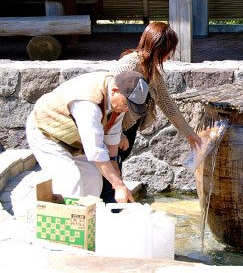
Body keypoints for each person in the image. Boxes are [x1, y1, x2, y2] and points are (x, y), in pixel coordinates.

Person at [101, 22, 202, 202]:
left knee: (116, 168)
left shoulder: (151, 69)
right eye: (169, 49)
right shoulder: (127, 66)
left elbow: (167, 104)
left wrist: (189, 134)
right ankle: (108, 210)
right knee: (109, 174)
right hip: (110, 128)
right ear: (159, 47)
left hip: (127, 126)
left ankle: (114, 208)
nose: (170, 54)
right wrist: (118, 135)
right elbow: (109, 101)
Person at [26, 70, 150, 203]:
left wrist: (116, 173)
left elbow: (112, 136)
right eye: (127, 104)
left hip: (75, 140)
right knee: (70, 180)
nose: (127, 110)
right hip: (47, 133)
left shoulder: (119, 100)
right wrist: (119, 186)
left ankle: (87, 221)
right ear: (115, 91)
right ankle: (67, 220)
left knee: (93, 179)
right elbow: (95, 151)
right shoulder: (88, 103)